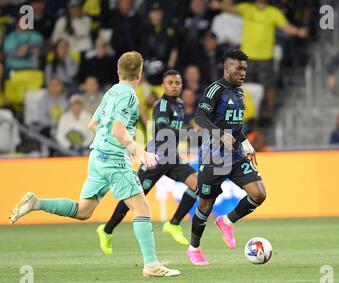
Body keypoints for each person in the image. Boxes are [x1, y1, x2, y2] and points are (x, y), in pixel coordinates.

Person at [9, 51, 180, 278]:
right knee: (142, 208)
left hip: (97, 157)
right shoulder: (129, 96)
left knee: (83, 211)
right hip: (113, 160)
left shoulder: (111, 92)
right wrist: (138, 150)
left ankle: (37, 203)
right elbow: (118, 130)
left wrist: (112, 143)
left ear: (119, 71)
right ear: (139, 73)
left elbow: (93, 124)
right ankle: (151, 265)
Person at [97, 69, 198, 254]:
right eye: (170, 83)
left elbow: (179, 129)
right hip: (156, 158)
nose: (174, 86)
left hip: (172, 157)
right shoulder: (162, 105)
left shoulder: (180, 105)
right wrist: (189, 133)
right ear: (163, 86)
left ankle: (174, 224)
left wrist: (194, 131)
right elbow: (161, 129)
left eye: (177, 83)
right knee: (133, 198)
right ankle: (106, 230)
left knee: (196, 184)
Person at [187, 49, 267, 265]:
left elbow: (235, 125)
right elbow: (200, 118)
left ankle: (227, 221)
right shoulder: (215, 90)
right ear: (227, 68)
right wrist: (220, 134)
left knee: (259, 194)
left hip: (236, 155)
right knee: (205, 206)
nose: (243, 73)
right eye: (239, 68)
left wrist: (246, 143)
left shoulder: (240, 93)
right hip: (213, 157)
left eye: (245, 69)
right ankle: (194, 248)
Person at [210, 0, 308, 122]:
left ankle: (269, 114)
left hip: (265, 57)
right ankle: (243, 113)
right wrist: (219, 5)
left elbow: (286, 27)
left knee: (269, 88)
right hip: (247, 57)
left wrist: (298, 32)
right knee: (242, 86)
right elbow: (232, 9)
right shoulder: (247, 8)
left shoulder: (274, 13)